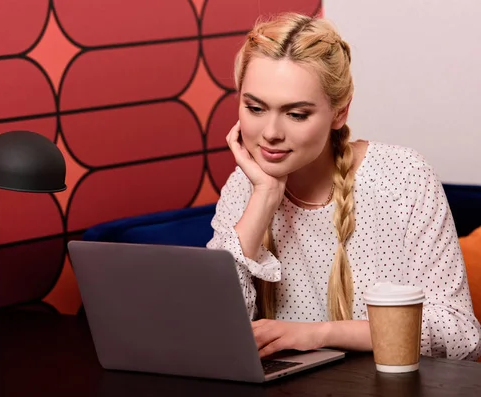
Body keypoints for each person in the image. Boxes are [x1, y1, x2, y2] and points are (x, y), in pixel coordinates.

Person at [206, 12, 481, 361]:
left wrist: (319, 334)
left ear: (339, 112)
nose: (271, 132)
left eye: (297, 114)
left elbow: (460, 335)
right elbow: (212, 330)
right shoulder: (243, 187)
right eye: (255, 108)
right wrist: (264, 196)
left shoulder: (403, 177)